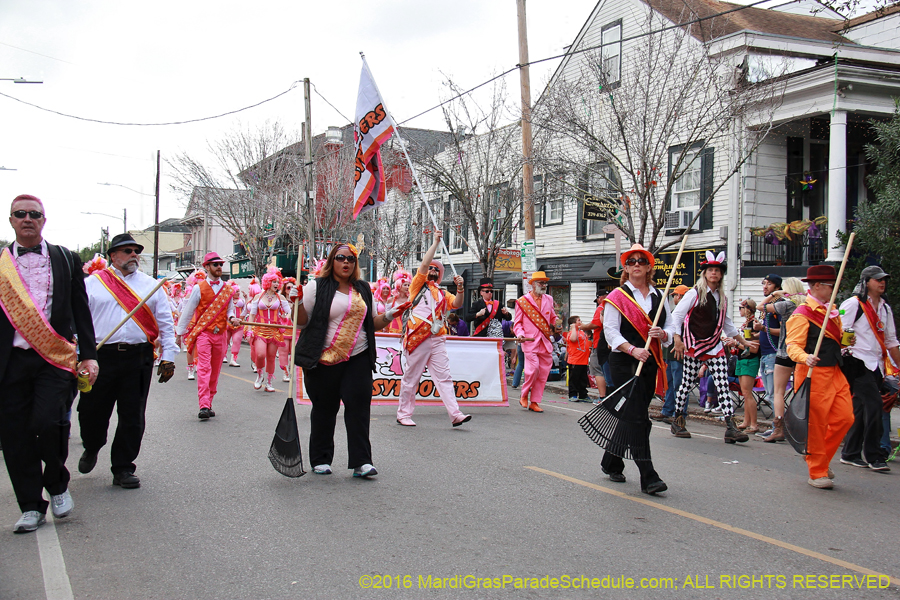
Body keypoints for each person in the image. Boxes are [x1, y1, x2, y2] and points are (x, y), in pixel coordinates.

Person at [0, 194, 98, 533]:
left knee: (50, 422)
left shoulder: (67, 259)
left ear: (44, 219)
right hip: (10, 361)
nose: (27, 218)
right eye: (20, 214)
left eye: (34, 214)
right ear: (11, 220)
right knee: (14, 434)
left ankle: (56, 484)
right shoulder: (0, 263)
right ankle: (30, 505)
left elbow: (80, 308)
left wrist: (89, 354)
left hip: (54, 359)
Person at [78, 233, 178, 490]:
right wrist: (80, 355)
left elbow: (166, 324)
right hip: (101, 357)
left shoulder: (151, 286)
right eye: (127, 250)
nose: (134, 254)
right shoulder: (92, 284)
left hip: (138, 357)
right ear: (113, 256)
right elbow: (79, 324)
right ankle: (92, 445)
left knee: (133, 416)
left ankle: (123, 467)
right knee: (92, 412)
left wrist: (168, 357)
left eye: (136, 250)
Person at [294, 243, 396, 477]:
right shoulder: (316, 287)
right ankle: (320, 458)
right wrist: (297, 301)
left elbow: (372, 323)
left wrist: (391, 314)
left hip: (357, 356)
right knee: (324, 409)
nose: (346, 262)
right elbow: (300, 323)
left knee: (359, 408)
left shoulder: (362, 289)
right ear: (332, 261)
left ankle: (362, 462)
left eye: (350, 258)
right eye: (341, 258)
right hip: (324, 358)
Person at [598, 243, 674, 494]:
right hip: (624, 361)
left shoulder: (660, 297)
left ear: (649, 266)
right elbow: (610, 331)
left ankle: (611, 460)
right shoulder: (617, 297)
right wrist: (632, 349)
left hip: (650, 362)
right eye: (631, 262)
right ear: (626, 267)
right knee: (638, 419)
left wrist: (663, 333)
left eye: (641, 261)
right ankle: (648, 475)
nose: (636, 265)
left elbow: (672, 329)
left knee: (632, 415)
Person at [669, 251, 752, 443]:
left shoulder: (722, 297)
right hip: (693, 345)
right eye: (710, 270)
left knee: (722, 385)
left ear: (721, 274)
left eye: (717, 270)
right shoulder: (694, 293)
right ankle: (678, 419)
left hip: (714, 346)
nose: (714, 273)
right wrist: (677, 339)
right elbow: (677, 316)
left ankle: (730, 426)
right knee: (687, 384)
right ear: (705, 273)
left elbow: (727, 324)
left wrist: (744, 341)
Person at [784, 265, 855, 489]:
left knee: (845, 418)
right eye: (830, 286)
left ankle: (820, 459)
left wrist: (845, 340)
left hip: (835, 370)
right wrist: (804, 357)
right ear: (816, 286)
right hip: (812, 373)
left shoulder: (831, 311)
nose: (833, 289)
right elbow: (792, 346)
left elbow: (836, 340)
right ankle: (817, 471)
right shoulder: (802, 314)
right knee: (816, 424)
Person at [395, 231, 471, 427]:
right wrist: (436, 242)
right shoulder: (416, 286)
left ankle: (455, 414)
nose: (433, 271)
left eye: (436, 269)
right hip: (417, 338)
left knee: (444, 378)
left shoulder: (443, 293)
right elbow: (422, 266)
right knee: (411, 378)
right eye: (430, 268)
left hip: (437, 339)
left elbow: (457, 303)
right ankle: (403, 414)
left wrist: (461, 289)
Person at [838, 266, 899, 472]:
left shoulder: (885, 308)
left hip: (877, 364)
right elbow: (839, 331)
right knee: (874, 406)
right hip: (857, 362)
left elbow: (891, 341)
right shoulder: (853, 304)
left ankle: (850, 452)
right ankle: (875, 455)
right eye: (877, 279)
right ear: (866, 282)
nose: (882, 283)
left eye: (883, 280)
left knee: (861, 409)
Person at [175, 253, 240, 420]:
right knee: (204, 368)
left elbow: (230, 309)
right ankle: (203, 404)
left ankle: (209, 402)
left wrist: (232, 318)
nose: (219, 267)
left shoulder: (227, 289)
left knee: (216, 369)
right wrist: (179, 333)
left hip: (221, 334)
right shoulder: (199, 288)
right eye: (215, 264)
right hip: (204, 333)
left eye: (220, 264)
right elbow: (189, 311)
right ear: (207, 267)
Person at [757, 277, 805, 441]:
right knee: (801, 391)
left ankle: (779, 429)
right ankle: (801, 427)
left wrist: (775, 294)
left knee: (778, 391)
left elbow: (760, 306)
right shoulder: (806, 304)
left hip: (786, 350)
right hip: (803, 352)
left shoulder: (786, 304)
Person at [513, 271, 558, 412]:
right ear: (532, 284)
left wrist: (557, 324)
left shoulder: (549, 299)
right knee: (533, 369)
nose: (544, 285)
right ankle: (524, 393)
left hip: (545, 340)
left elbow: (552, 318)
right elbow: (518, 323)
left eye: (545, 283)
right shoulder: (522, 302)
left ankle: (535, 401)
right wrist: (520, 334)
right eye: (541, 282)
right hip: (530, 341)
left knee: (543, 372)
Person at [248, 267, 290, 392]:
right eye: (274, 281)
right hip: (260, 330)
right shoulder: (258, 297)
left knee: (271, 357)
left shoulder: (281, 298)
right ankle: (260, 374)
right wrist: (250, 329)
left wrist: (285, 317)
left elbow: (289, 312)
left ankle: (269, 381)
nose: (276, 284)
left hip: (275, 331)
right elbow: (252, 315)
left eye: (278, 282)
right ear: (267, 282)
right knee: (260, 354)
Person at [656, 285, 690, 422]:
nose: (674, 298)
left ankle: (680, 414)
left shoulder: (687, 314)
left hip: (679, 355)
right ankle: (667, 410)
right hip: (668, 353)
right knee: (669, 383)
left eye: (675, 295)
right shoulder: (675, 312)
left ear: (680, 297)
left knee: (680, 385)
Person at [754, 274, 782, 415]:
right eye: (764, 283)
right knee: (770, 393)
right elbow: (766, 330)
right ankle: (777, 426)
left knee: (773, 394)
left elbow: (784, 330)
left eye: (769, 284)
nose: (765, 287)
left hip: (773, 352)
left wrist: (764, 329)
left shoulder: (779, 305)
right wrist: (757, 334)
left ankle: (780, 427)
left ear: (777, 288)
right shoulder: (770, 306)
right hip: (765, 353)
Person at [735, 299, 762, 433]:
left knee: (747, 393)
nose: (739, 310)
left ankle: (754, 424)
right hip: (742, 359)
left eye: (741, 308)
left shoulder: (754, 324)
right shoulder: (746, 324)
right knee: (744, 393)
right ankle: (746, 421)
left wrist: (736, 344)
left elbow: (754, 348)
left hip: (749, 360)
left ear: (748, 309)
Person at [566, 316, 591, 401]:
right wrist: (573, 328)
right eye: (578, 321)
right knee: (574, 379)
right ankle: (572, 394)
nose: (580, 322)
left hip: (583, 360)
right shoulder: (572, 333)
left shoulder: (581, 332)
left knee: (583, 379)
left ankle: (583, 394)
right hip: (575, 360)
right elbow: (573, 339)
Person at [226, 283, 245, 367]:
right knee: (225, 341)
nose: (238, 293)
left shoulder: (242, 301)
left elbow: (245, 310)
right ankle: (223, 356)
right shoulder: (227, 300)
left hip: (239, 324)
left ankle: (233, 359)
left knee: (236, 340)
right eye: (236, 291)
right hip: (228, 323)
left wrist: (240, 319)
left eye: (238, 291)